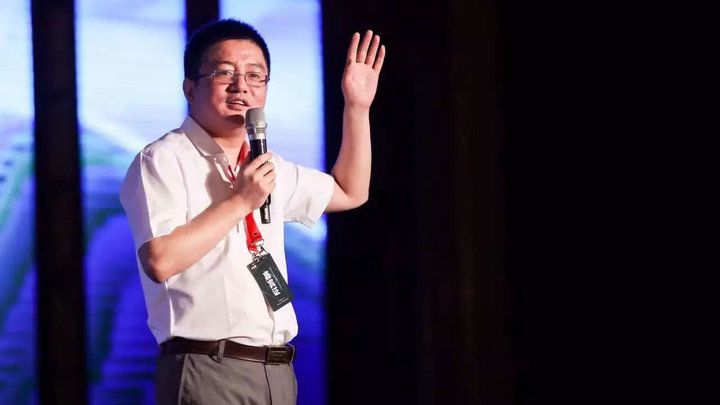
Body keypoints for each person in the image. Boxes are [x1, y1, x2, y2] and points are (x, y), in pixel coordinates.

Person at [119, 19, 384, 404]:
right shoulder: (163, 160)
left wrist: (357, 108)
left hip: (276, 371)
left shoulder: (264, 165)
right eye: (224, 73)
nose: (241, 86)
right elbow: (160, 260)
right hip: (208, 366)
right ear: (190, 88)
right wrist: (240, 201)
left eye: (255, 76)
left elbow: (349, 191)